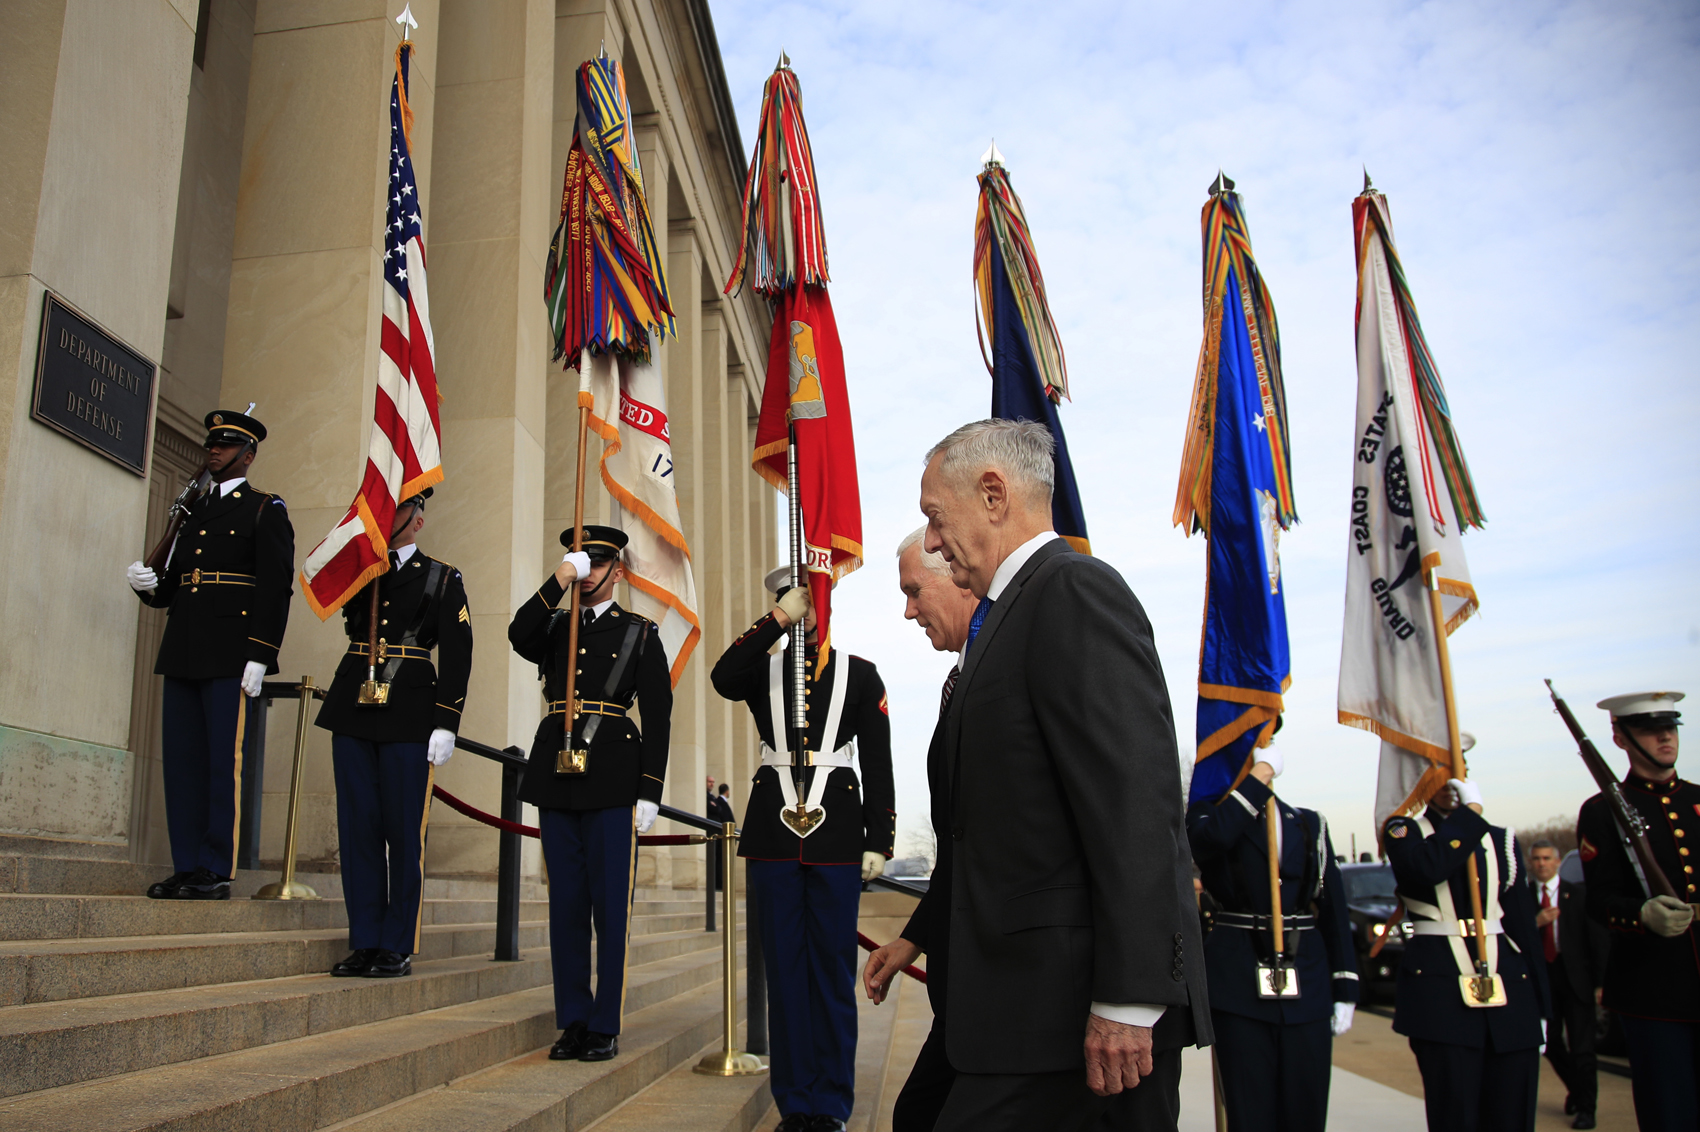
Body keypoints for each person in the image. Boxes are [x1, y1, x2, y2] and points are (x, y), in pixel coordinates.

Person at [906, 419, 1209, 1131]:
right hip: (1022, 1020)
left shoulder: (1072, 591)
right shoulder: (1011, 615)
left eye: (934, 517)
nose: (930, 542)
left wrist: (1129, 1001)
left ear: (992, 494)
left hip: (1083, 1027)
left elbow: (1135, 804)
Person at [712, 566, 896, 1132]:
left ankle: (833, 1103)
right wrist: (776, 621)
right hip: (773, 834)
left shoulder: (860, 675)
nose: (804, 606)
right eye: (793, 598)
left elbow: (878, 763)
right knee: (786, 975)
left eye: (811, 596)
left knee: (831, 974)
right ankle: (796, 1102)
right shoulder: (762, 670)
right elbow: (723, 674)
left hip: (838, 835)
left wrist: (880, 839)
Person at [508, 526, 671, 1064]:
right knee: (567, 906)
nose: (587, 572)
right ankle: (573, 1020)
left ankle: (604, 1022)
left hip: (611, 778)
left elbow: (660, 717)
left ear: (617, 572)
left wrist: (650, 788)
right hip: (558, 772)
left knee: (609, 907)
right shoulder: (555, 624)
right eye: (580, 562)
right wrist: (559, 579)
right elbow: (517, 633)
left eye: (597, 564)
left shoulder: (639, 632)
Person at [125, 409, 294, 900]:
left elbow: (274, 588)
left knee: (222, 762)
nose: (214, 452)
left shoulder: (265, 509)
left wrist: (262, 654)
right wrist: (147, 588)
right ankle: (186, 864)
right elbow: (175, 584)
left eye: (225, 446)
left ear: (248, 454)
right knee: (182, 762)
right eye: (211, 445)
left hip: (229, 651)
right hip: (183, 646)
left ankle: (215, 867)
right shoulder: (193, 510)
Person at [314, 488, 472, 979]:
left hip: (409, 712)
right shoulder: (362, 565)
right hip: (354, 707)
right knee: (358, 829)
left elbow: (460, 654)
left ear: (417, 520)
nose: (384, 515)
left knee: (403, 833)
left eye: (396, 508)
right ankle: (364, 939)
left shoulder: (442, 578)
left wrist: (447, 721)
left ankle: (396, 943)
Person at [864, 527, 984, 1132]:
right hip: (966, 983)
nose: (907, 610)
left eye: (915, 592)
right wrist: (913, 939)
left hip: (1007, 986)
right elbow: (963, 848)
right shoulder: (959, 679)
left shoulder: (1003, 670)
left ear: (959, 578)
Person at [1185, 737, 1359, 1132]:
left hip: (1308, 980)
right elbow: (1210, 841)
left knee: (1306, 1108)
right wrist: (1259, 777)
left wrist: (1345, 986)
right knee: (1251, 1112)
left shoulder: (1309, 822)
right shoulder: (1207, 814)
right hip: (1239, 982)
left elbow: (1333, 911)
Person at [1384, 776, 1549, 1131]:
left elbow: (1522, 925)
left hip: (1509, 992)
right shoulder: (1403, 830)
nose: (1451, 786)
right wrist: (1471, 815)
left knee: (1513, 1115)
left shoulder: (1500, 839)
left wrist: (1541, 1005)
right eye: (1440, 778)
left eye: (1458, 775)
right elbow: (1428, 869)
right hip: (1442, 995)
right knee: (1456, 1115)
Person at [1577, 690, 1700, 1130]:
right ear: (1621, 738)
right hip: (1654, 990)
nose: (1666, 736)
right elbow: (1598, 899)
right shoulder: (1601, 813)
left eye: (1670, 727)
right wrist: (1641, 914)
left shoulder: (1698, 802)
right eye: (1650, 729)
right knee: (1672, 1114)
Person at [1528, 838, 1608, 1129]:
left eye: (1547, 858)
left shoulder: (1578, 895)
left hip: (1576, 979)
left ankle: (1586, 1109)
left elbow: (1598, 942)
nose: (1542, 864)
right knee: (1548, 1043)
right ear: (1531, 863)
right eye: (1537, 859)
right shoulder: (1523, 898)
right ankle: (1577, 1088)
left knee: (1583, 1047)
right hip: (1543, 979)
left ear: (1558, 861)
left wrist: (1600, 984)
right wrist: (1534, 923)